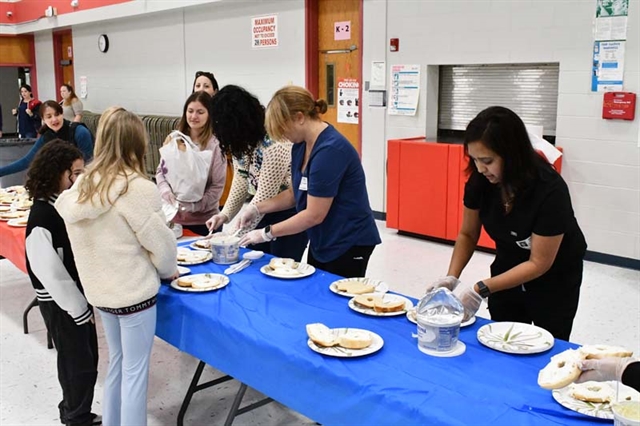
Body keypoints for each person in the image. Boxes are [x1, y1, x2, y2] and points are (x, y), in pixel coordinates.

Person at [56, 106, 178, 426]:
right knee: (135, 374)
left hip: (101, 293)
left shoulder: (81, 186)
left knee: (117, 366)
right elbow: (163, 251)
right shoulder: (137, 188)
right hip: (134, 294)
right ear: (137, 143)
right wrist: (167, 270)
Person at [431, 106, 587, 340]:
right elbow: (468, 234)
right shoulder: (480, 182)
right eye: (474, 160)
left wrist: (480, 288)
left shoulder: (550, 190)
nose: (480, 168)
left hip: (555, 276)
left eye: (487, 160)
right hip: (507, 267)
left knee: (547, 342)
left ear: (513, 154)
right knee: (502, 337)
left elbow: (539, 263)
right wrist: (450, 278)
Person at [238, 86, 381, 277]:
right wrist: (256, 208)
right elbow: (293, 194)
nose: (282, 135)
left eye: (282, 128)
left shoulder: (330, 151)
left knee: (336, 298)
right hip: (323, 238)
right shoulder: (301, 145)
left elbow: (314, 214)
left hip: (348, 240)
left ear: (299, 117)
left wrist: (267, 232)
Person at [25, 140, 100, 426]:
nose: (80, 180)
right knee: (75, 363)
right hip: (61, 304)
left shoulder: (60, 207)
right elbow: (52, 274)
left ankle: (75, 410)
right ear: (58, 173)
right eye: (76, 174)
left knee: (85, 359)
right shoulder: (43, 216)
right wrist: (79, 308)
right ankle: (75, 415)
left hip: (73, 302)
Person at [205, 85, 308, 260]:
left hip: (287, 213)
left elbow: (265, 196)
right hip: (260, 210)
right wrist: (224, 215)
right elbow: (241, 179)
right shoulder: (242, 142)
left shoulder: (274, 144)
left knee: (280, 267)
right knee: (256, 264)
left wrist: (229, 237)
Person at [156, 91, 227, 236]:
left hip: (205, 221)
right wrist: (166, 192)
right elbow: (161, 172)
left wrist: (195, 205)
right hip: (175, 219)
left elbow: (217, 185)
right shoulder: (174, 138)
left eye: (200, 112)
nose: (194, 116)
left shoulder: (215, 145)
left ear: (209, 115)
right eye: (190, 111)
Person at [0, 101, 93, 178]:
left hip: (85, 179)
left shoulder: (80, 131)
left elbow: (89, 162)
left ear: (62, 114)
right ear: (43, 119)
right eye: (49, 117)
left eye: (57, 114)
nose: (54, 119)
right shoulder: (46, 136)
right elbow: (27, 161)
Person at [191, 70, 234, 209]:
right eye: (198, 85)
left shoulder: (223, 115)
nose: (201, 89)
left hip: (217, 174)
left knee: (215, 217)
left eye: (206, 86)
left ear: (215, 91)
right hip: (194, 179)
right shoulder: (190, 114)